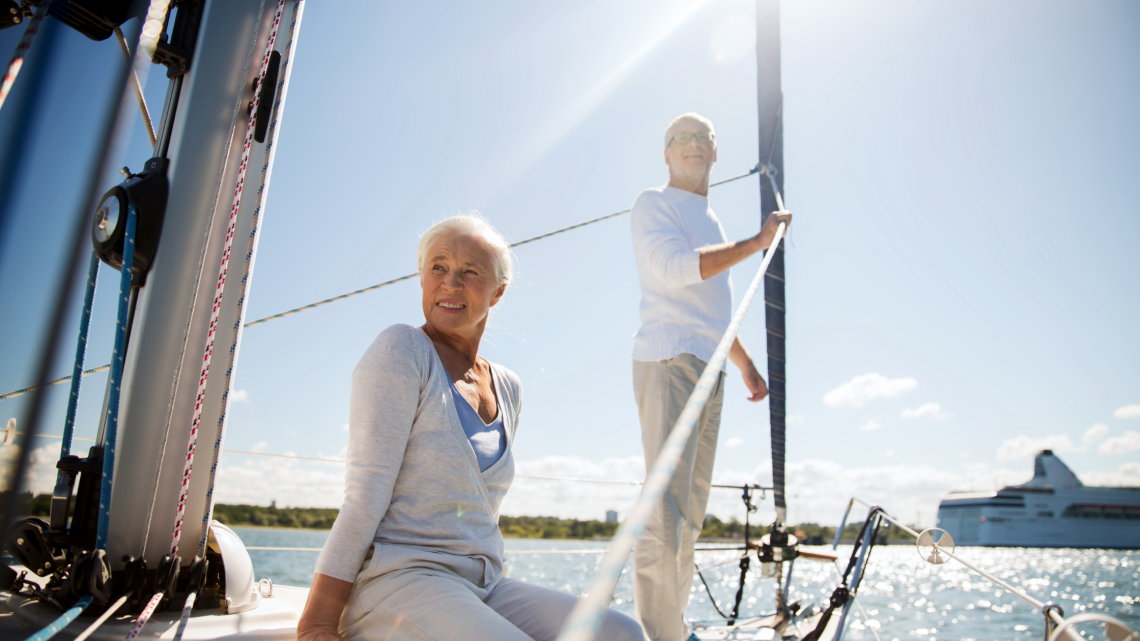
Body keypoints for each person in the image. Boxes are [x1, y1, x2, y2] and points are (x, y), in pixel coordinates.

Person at [297, 214, 643, 641]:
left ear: (498, 292)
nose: (450, 284)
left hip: (484, 584)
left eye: (470, 272)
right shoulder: (402, 349)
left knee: (622, 634)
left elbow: (481, 510)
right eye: (438, 267)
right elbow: (364, 494)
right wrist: (317, 622)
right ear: (422, 278)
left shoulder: (508, 387)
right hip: (400, 578)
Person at [629, 113, 791, 641]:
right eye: (681, 137)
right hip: (671, 360)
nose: (693, 144)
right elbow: (676, 269)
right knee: (666, 513)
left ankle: (673, 627)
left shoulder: (711, 220)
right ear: (666, 155)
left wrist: (744, 364)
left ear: (716, 152)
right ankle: (659, 635)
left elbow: (712, 311)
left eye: (703, 137)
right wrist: (758, 241)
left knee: (689, 515)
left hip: (711, 366)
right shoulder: (654, 203)